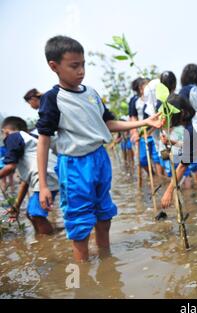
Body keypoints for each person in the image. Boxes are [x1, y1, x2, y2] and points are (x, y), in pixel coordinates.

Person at [36, 35, 164, 262]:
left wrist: (145, 122)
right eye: (74, 66)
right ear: (54, 66)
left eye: (83, 64)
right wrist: (44, 184)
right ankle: (82, 276)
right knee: (80, 223)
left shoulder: (91, 93)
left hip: (99, 158)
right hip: (75, 166)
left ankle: (107, 265)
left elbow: (108, 124)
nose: (81, 71)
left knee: (104, 215)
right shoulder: (53, 99)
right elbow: (44, 140)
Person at [0, 116, 59, 235]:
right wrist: (16, 206)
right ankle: (46, 236)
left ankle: (48, 242)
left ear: (5, 131)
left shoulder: (13, 136)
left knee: (35, 214)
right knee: (30, 213)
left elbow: (10, 167)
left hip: (46, 175)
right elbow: (24, 183)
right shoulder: (27, 142)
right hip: (50, 173)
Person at [160, 94, 197, 208]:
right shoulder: (196, 119)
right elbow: (193, 147)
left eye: (172, 115)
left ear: (182, 113)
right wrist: (172, 142)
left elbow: (183, 166)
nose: (169, 118)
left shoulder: (192, 128)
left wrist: (168, 191)